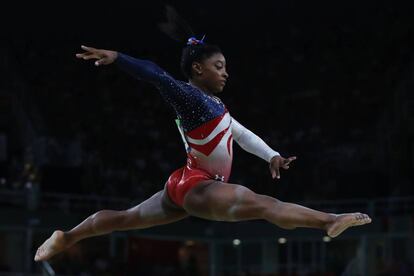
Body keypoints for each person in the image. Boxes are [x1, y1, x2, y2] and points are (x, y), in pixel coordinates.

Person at [34, 37, 371, 262]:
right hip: (200, 185)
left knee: (126, 219)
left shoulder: (213, 103)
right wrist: (119, 58)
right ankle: (328, 221)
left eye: (225, 66)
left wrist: (272, 156)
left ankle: (67, 237)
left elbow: (240, 133)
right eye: (219, 66)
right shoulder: (189, 96)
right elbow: (155, 74)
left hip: (186, 182)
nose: (225, 72)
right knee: (267, 205)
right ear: (198, 69)